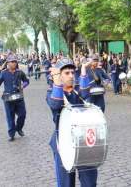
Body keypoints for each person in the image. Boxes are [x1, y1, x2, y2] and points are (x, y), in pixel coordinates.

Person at [46, 58, 99, 186]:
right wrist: (57, 81)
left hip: (84, 141)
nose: (71, 76)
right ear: (59, 75)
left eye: (72, 72)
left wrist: (83, 70)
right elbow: (56, 104)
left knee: (89, 182)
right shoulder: (51, 92)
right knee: (66, 184)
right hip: (64, 144)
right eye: (66, 73)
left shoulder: (78, 90)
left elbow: (86, 94)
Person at [0, 55, 30, 141]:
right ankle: (11, 134)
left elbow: (26, 81)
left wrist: (23, 86)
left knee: (22, 115)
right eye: (11, 62)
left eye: (15, 61)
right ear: (8, 63)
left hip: (19, 97)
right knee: (10, 116)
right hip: (8, 98)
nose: (14, 63)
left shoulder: (20, 72)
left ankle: (19, 128)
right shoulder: (4, 73)